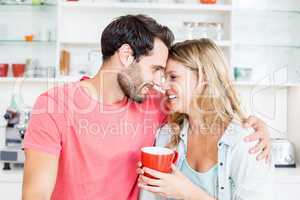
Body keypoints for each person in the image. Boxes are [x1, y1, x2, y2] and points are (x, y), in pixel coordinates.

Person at [22, 15, 270, 200]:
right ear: (126, 55)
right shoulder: (54, 106)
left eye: (166, 74)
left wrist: (254, 124)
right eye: (156, 70)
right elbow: (36, 195)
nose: (159, 81)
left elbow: (204, 104)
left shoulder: (154, 104)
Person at [138, 39, 272, 200]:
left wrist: (188, 193)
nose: (164, 86)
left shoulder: (246, 142)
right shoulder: (167, 134)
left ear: (204, 80)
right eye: (164, 78)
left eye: (173, 77)